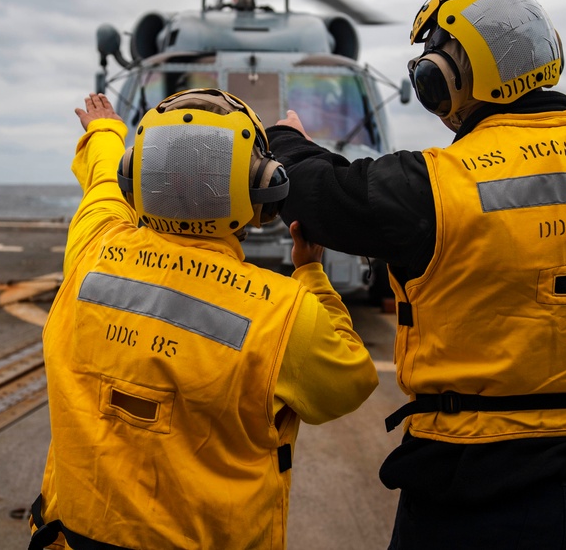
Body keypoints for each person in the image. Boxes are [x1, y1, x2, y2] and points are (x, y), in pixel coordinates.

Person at [267, 0, 566, 549]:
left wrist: (284, 139)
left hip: (467, 499)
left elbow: (316, 194)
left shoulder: (434, 185)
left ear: (443, 80)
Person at [29, 89, 379, 550]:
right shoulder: (283, 311)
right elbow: (349, 382)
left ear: (137, 174)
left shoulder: (93, 246)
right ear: (262, 188)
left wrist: (104, 130)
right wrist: (312, 273)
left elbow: (103, 181)